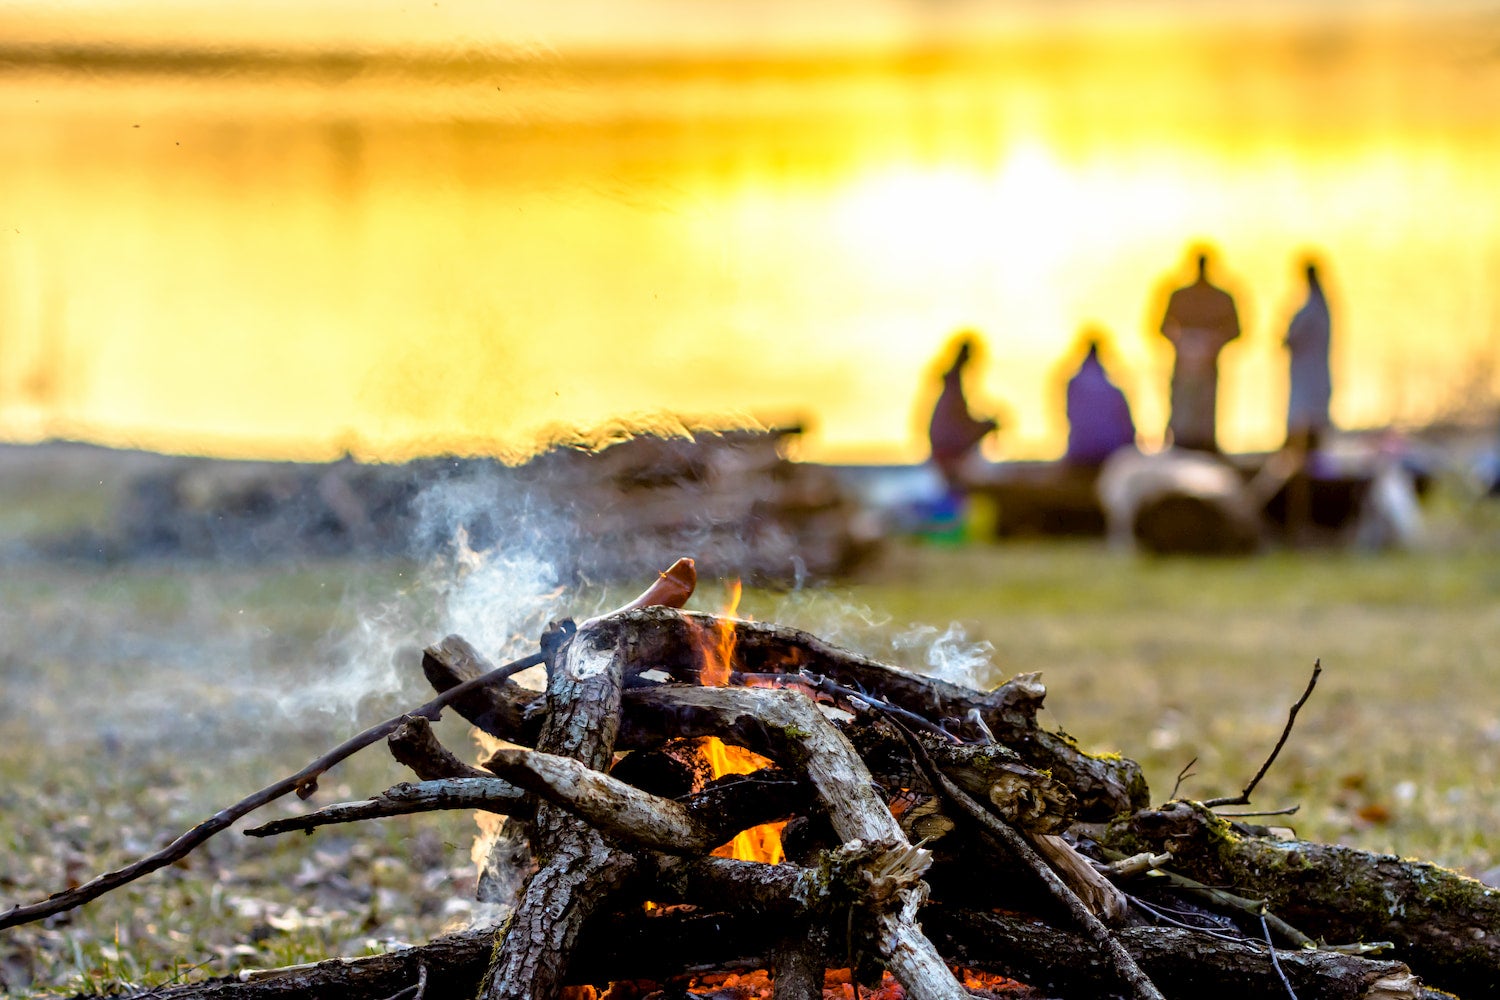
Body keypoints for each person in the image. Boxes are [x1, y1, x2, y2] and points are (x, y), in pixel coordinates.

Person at [1159, 252, 1241, 453]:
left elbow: (1236, 329)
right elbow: (1162, 327)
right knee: (1182, 407)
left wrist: (1214, 342)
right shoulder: (1180, 295)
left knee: (1205, 409)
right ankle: (1180, 443)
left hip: (1208, 363)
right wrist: (1182, 341)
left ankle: (1204, 445)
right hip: (1184, 364)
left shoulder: (1220, 297)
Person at [927, 333, 999, 488]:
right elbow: (959, 420)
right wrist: (987, 425)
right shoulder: (953, 384)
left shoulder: (953, 384)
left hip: (947, 449)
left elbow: (962, 418)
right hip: (948, 448)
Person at [1064, 336, 1136, 466]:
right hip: (1110, 451)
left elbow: (1067, 416)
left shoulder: (1074, 384)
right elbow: (1127, 424)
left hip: (1080, 450)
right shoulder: (1113, 385)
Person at [1285, 261, 1332, 450]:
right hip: (1312, 372)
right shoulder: (1321, 307)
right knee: (1311, 413)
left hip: (1308, 374)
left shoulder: (1312, 310)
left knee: (1304, 414)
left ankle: (1303, 456)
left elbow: (1292, 337)